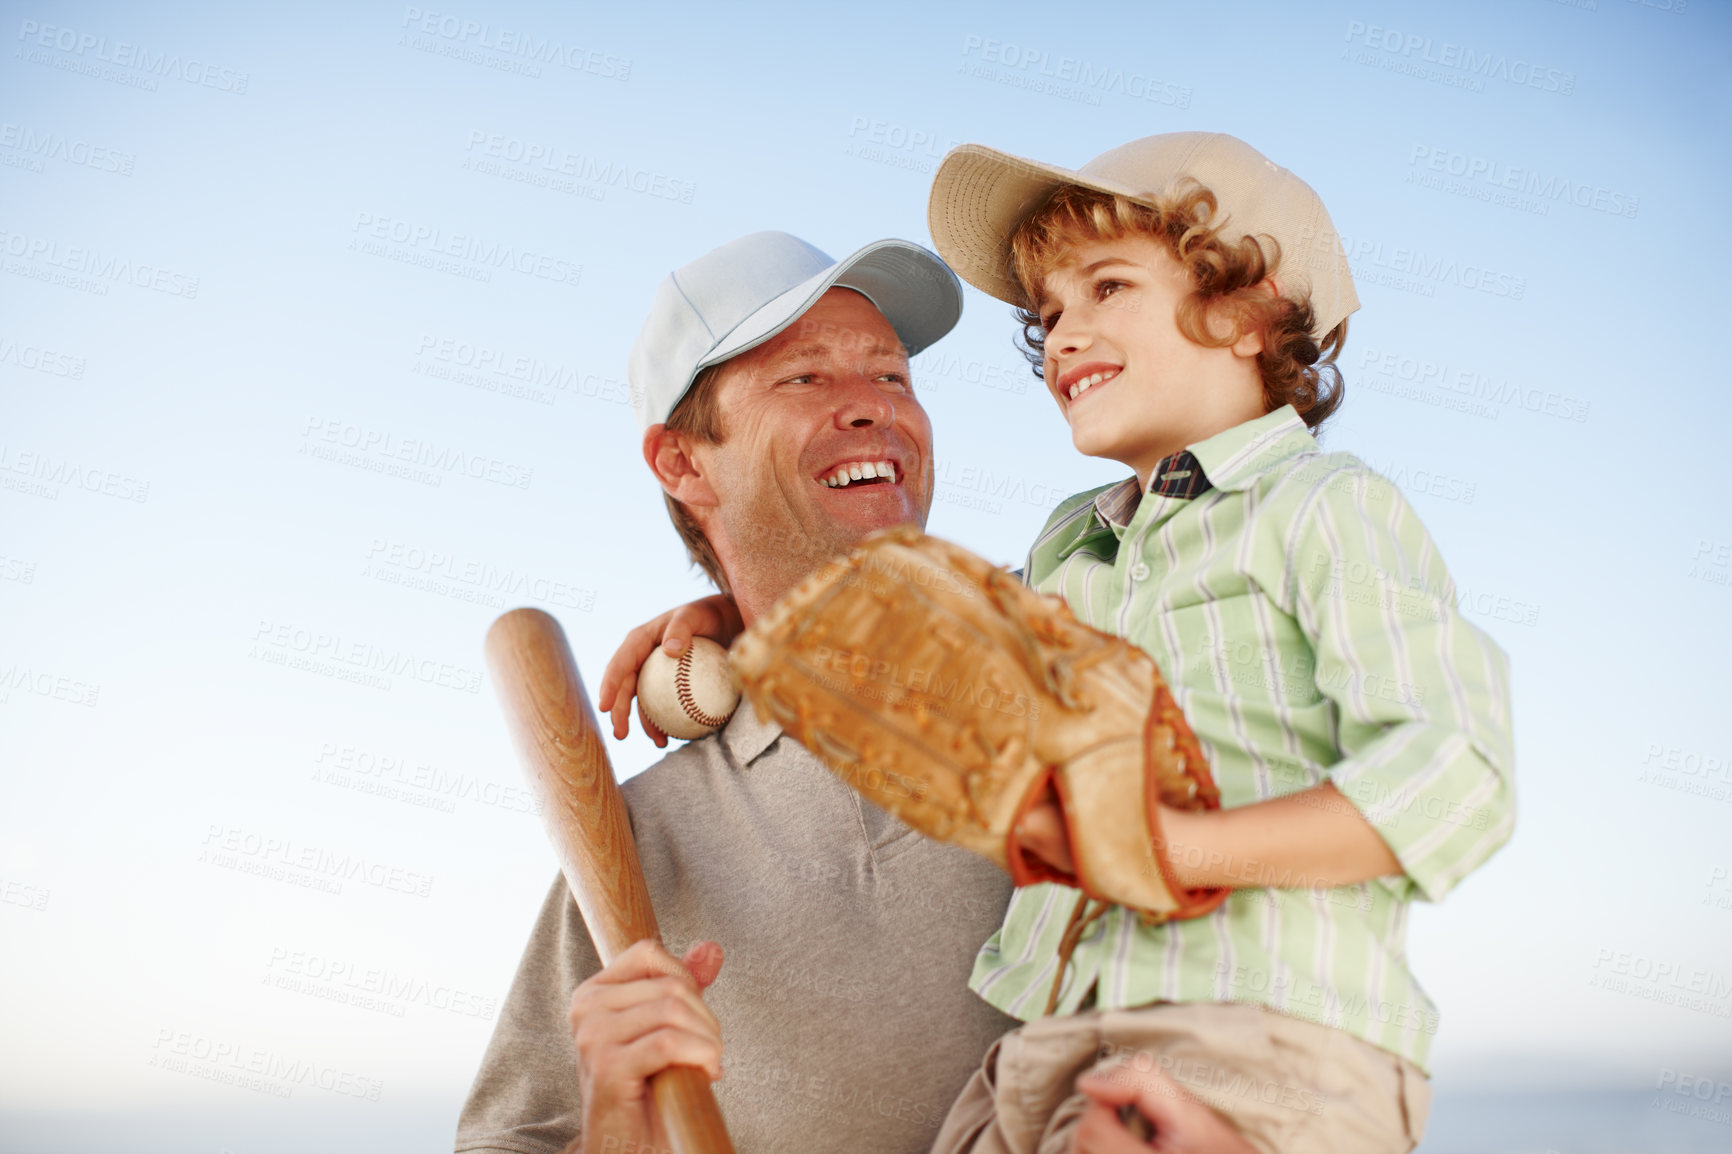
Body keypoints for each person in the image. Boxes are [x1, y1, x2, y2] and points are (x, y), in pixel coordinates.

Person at [609, 134, 1516, 1153]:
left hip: (1260, 1038)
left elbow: (1456, 773)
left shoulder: (1323, 509)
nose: (1065, 333)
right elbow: (923, 663)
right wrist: (732, 623)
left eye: (1108, 286)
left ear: (1248, 309)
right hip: (1053, 1036)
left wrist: (1178, 847)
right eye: (1049, 314)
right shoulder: (1070, 548)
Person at [457, 230, 1261, 1154]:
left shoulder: (1094, 656)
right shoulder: (638, 842)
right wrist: (615, 1127)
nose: (871, 410)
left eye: (890, 378)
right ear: (682, 464)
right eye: (803, 380)